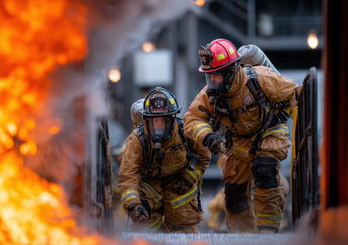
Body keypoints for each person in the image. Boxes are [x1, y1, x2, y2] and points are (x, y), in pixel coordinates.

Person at [184, 38, 300, 233]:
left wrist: (300, 123)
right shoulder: (210, 94)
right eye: (209, 76)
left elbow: (296, 93)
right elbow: (192, 118)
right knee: (234, 193)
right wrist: (208, 136)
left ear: (231, 71)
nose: (212, 82)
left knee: (265, 170)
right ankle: (243, 235)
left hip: (269, 132)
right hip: (238, 142)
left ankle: (267, 231)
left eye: (217, 76)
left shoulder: (261, 78)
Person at [118, 87, 211, 233]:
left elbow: (204, 156)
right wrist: (133, 204)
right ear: (146, 120)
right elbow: (127, 176)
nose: (158, 128)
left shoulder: (185, 132)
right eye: (154, 122)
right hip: (149, 188)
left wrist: (190, 176)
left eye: (163, 122)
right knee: (145, 229)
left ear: (173, 118)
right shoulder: (137, 139)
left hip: (179, 186)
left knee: (185, 231)